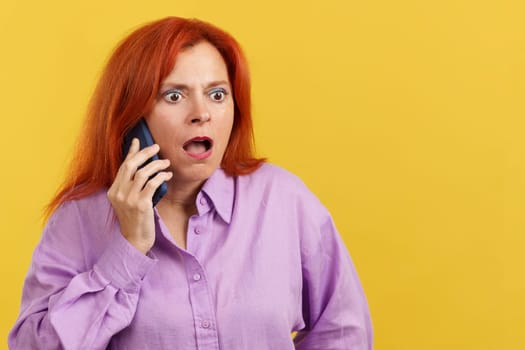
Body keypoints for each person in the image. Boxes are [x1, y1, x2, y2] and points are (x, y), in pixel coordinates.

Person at [8, 17, 373, 349]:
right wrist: (129, 249)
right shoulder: (80, 219)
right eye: (174, 95)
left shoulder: (284, 201)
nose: (202, 114)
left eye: (217, 94)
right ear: (133, 115)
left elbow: (344, 330)